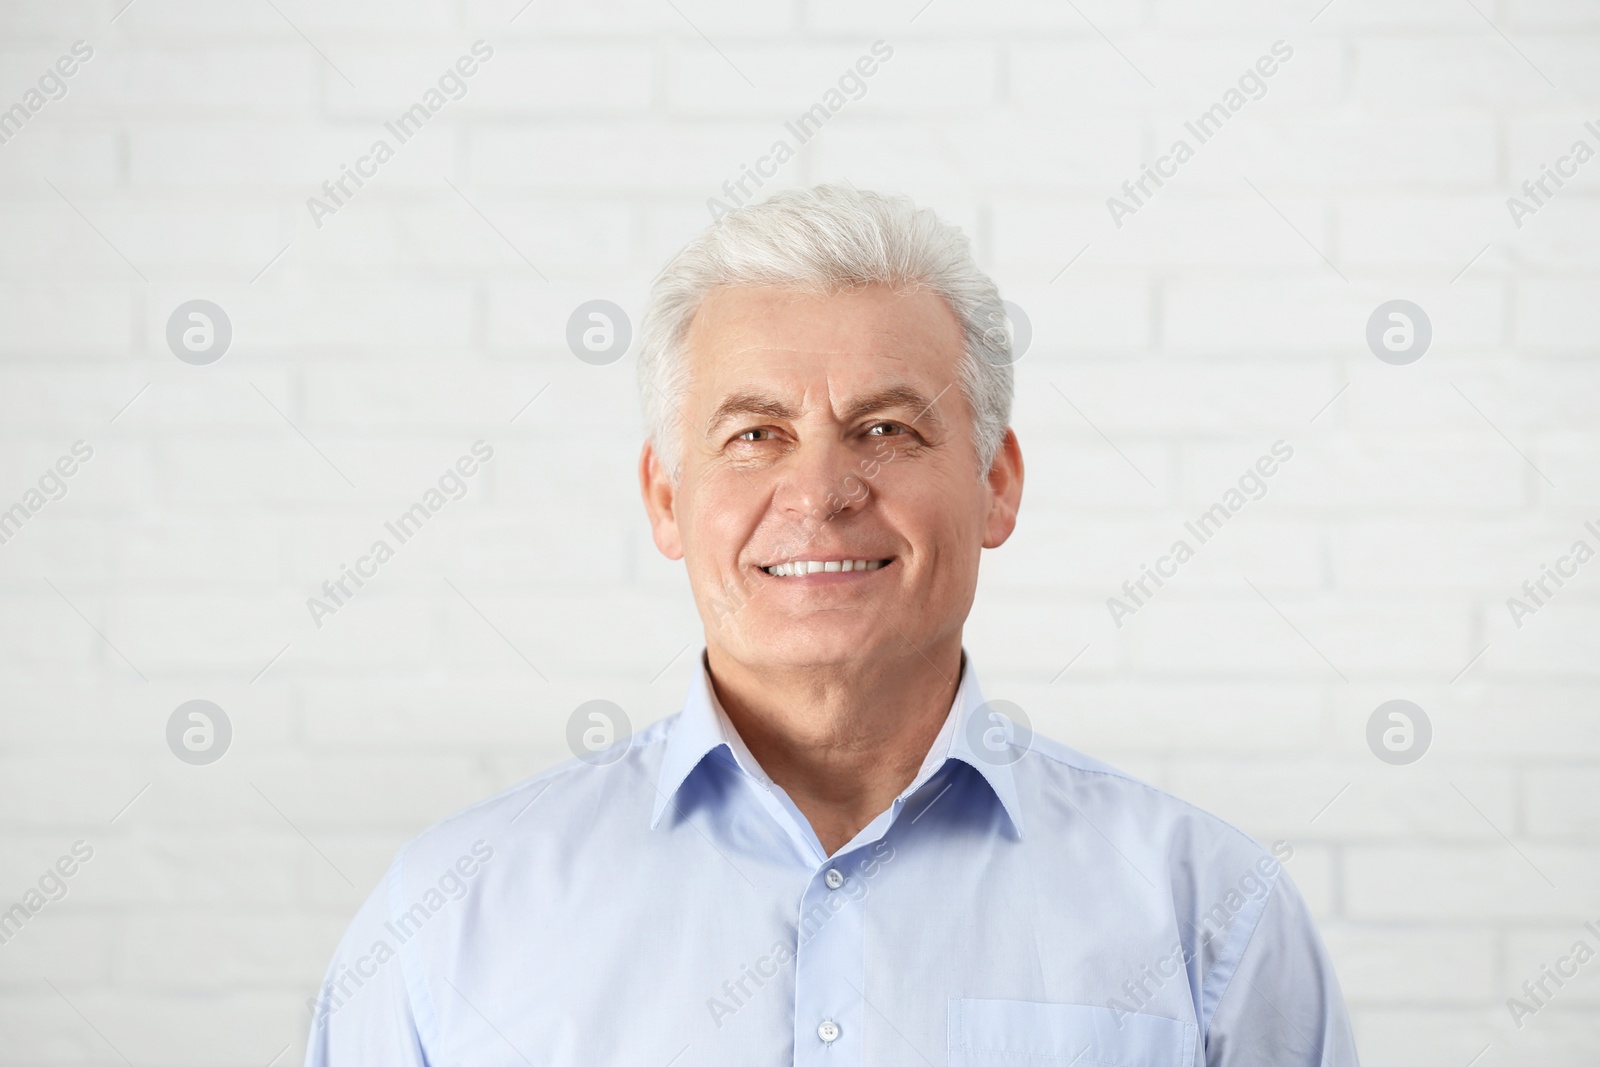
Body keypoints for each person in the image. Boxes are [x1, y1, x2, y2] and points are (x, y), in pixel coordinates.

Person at [304, 184, 1359, 1066]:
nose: (820, 490)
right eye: (756, 433)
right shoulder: (448, 914)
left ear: (995, 483)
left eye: (886, 429)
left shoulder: (1207, 912)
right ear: (666, 499)